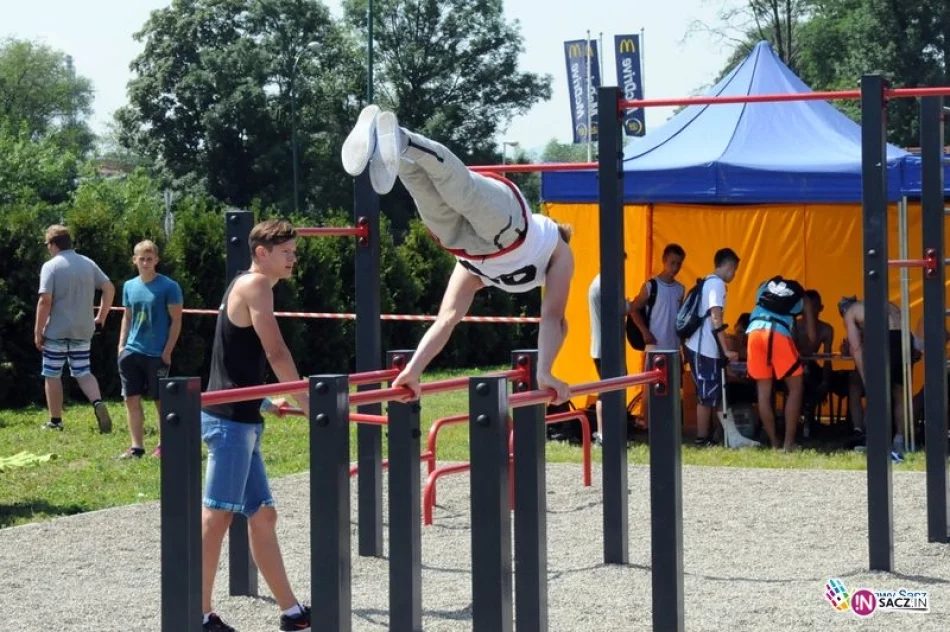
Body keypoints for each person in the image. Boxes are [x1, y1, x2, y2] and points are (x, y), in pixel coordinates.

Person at [342, 105, 574, 403]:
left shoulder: (479, 273)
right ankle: (400, 137)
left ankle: (390, 150)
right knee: (459, 189)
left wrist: (414, 370)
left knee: (422, 186)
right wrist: (545, 372)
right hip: (509, 228)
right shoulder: (558, 247)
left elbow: (447, 319)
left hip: (465, 247)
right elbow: (554, 318)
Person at [199, 220, 311, 632]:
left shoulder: (248, 285)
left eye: (294, 252)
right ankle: (197, 611)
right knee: (217, 517)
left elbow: (232, 358)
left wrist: (265, 399)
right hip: (229, 423)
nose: (293, 258)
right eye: (287, 252)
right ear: (262, 252)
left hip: (241, 418)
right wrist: (309, 402)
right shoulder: (256, 285)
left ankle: (291, 611)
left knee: (262, 515)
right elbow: (276, 351)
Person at [35, 224, 115, 433]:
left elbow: (45, 301)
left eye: (47, 245)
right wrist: (101, 316)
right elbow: (109, 287)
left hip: (57, 330)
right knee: (83, 371)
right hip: (83, 328)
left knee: (52, 373)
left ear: (53, 244)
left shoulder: (51, 266)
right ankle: (97, 402)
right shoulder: (87, 263)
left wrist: (38, 330)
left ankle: (55, 420)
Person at [117, 240, 184, 459]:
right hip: (132, 351)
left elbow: (176, 320)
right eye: (141, 259)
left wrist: (167, 351)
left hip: (156, 353)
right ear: (134, 260)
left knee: (160, 400)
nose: (145, 263)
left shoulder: (169, 286)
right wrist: (121, 346)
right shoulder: (129, 285)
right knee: (131, 399)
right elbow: (127, 316)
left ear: (156, 260)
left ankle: (167, 443)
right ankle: (136, 447)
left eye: (149, 259)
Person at [745, 278, 817, 450]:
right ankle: (788, 443)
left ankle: (774, 444)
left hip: (754, 332)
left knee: (763, 392)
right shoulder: (803, 298)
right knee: (796, 388)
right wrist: (802, 351)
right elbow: (812, 336)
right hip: (779, 333)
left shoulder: (763, 286)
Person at [683, 248, 740, 446]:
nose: (734, 275)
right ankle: (702, 439)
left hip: (702, 346)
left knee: (712, 393)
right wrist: (726, 350)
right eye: (734, 270)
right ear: (729, 266)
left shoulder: (707, 281)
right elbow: (717, 318)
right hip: (703, 347)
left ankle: (725, 436)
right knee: (706, 395)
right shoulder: (717, 284)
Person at [838, 297, 907, 459]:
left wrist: (865, 378)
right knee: (899, 392)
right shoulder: (882, 302)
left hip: (885, 339)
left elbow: (855, 348)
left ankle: (875, 441)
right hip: (903, 338)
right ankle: (900, 439)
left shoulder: (850, 312)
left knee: (876, 392)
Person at [628, 243, 687, 352]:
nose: (675, 268)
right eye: (672, 263)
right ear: (664, 260)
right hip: (655, 346)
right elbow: (633, 308)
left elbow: (680, 321)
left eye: (679, 264)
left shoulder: (680, 289)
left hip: (674, 347)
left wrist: (684, 346)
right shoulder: (650, 286)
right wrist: (645, 332)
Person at [793, 289, 835, 427]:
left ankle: (809, 418)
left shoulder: (826, 329)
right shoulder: (794, 325)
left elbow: (827, 358)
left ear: (821, 308)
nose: (811, 311)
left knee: (815, 380)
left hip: (813, 367)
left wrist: (825, 381)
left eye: (814, 307)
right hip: (793, 366)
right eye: (808, 308)